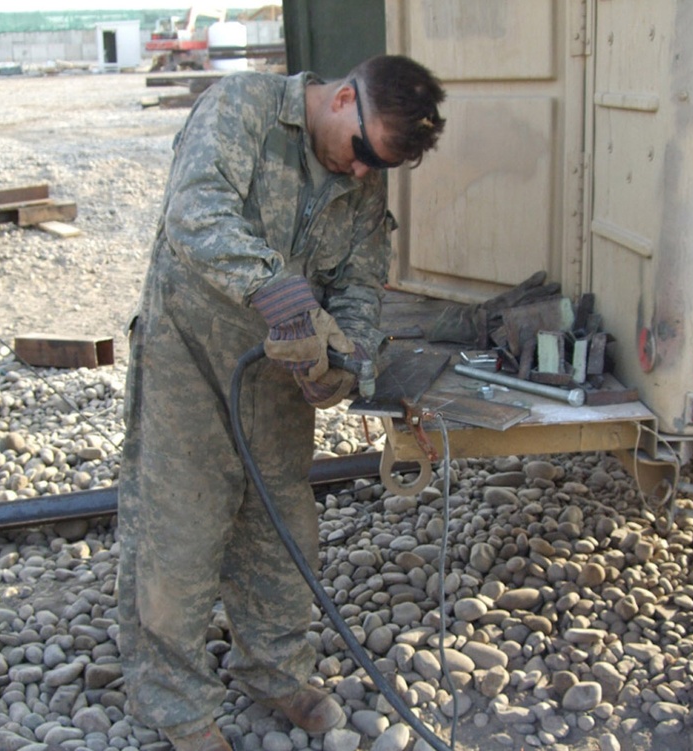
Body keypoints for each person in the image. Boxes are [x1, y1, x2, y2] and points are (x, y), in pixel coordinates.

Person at [117, 54, 446, 751]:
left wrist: (347, 364)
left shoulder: (359, 184)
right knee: (180, 525)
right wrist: (282, 294)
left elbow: (359, 284)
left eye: (377, 166)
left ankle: (274, 669)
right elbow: (195, 211)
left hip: (277, 376)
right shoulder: (242, 109)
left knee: (281, 525)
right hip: (188, 356)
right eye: (362, 152)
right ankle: (175, 702)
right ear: (339, 102)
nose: (362, 173)